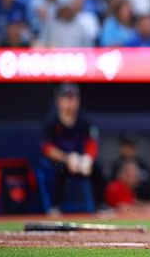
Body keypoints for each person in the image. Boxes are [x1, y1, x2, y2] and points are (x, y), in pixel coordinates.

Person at [40, 82, 104, 213]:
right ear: (59, 101)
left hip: (80, 161)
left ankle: (101, 206)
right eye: (66, 98)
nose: (70, 102)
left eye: (73, 98)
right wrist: (66, 158)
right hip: (61, 162)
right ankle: (55, 207)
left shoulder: (84, 121)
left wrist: (88, 158)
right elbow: (46, 147)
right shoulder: (51, 121)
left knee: (97, 169)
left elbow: (92, 142)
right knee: (59, 170)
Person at [110, 131, 150, 206]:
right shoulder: (116, 165)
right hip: (125, 204)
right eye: (125, 146)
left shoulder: (143, 165)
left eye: (131, 146)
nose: (128, 149)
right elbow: (114, 190)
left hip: (145, 202)